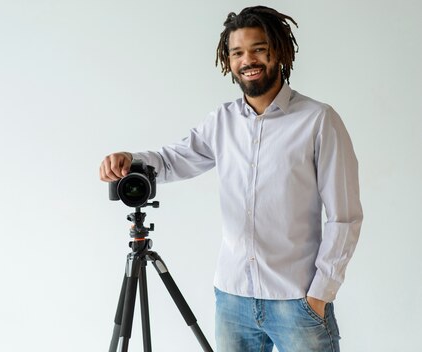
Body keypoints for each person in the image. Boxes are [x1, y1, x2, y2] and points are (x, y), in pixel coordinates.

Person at [99, 6, 362, 352]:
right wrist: (131, 160)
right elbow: (174, 159)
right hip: (232, 301)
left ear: (279, 52)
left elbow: (345, 217)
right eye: (237, 52)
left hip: (297, 301)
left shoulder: (318, 121)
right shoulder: (222, 120)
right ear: (228, 60)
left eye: (258, 49)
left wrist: (319, 296)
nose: (247, 60)